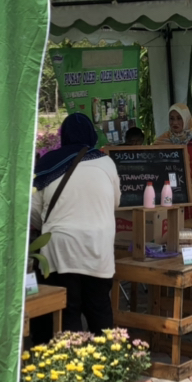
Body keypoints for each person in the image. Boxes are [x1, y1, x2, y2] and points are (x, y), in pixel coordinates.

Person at [30, 113, 120, 337]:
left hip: (60, 248)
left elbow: (33, 211)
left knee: (67, 310)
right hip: (98, 246)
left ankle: (71, 365)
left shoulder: (48, 163)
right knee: (99, 308)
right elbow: (115, 202)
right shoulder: (106, 162)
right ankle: (108, 362)